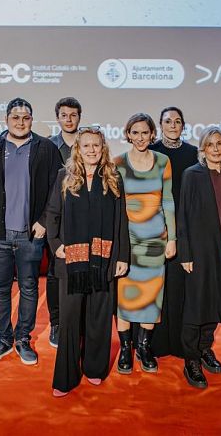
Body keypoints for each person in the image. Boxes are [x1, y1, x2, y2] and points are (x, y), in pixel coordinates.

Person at [43, 127, 129, 396]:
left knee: (99, 316)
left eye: (96, 145)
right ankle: (66, 378)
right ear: (78, 149)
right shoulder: (64, 177)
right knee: (69, 320)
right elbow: (52, 214)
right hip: (72, 262)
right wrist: (56, 245)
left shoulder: (113, 178)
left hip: (103, 260)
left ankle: (94, 368)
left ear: (103, 148)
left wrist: (122, 257)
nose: (92, 150)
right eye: (87, 146)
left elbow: (121, 221)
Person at [0, 98, 63, 366]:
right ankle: (3, 339)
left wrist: (43, 221)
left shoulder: (47, 148)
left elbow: (56, 188)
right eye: (15, 117)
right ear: (6, 119)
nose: (20, 122)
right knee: (0, 289)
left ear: (31, 119)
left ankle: (23, 339)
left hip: (31, 234)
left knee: (29, 288)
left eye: (25, 117)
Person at [176, 127, 221, 389]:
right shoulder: (192, 175)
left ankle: (206, 348)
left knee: (216, 304)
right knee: (196, 307)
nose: (216, 148)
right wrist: (185, 252)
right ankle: (191, 359)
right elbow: (182, 216)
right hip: (199, 254)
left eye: (220, 143)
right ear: (203, 149)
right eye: (210, 144)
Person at [114, 113, 176, 374]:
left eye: (145, 132)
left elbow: (168, 201)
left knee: (151, 295)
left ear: (153, 134)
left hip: (155, 242)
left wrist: (172, 238)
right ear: (128, 134)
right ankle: (126, 348)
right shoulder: (117, 162)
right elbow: (114, 206)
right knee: (125, 297)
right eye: (135, 132)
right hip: (127, 242)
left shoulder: (163, 161)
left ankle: (144, 346)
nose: (140, 138)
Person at [149, 106, 199, 358]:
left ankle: (180, 342)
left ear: (183, 125)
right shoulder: (152, 151)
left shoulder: (193, 153)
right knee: (157, 287)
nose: (172, 125)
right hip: (154, 227)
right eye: (167, 121)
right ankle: (154, 343)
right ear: (160, 124)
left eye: (177, 121)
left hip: (184, 226)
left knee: (178, 286)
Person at [46, 96, 82, 348]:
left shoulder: (90, 145)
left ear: (79, 117)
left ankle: (78, 322)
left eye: (73, 115)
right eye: (64, 115)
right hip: (56, 218)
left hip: (84, 220)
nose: (69, 119)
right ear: (57, 118)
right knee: (55, 273)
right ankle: (57, 323)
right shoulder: (48, 147)